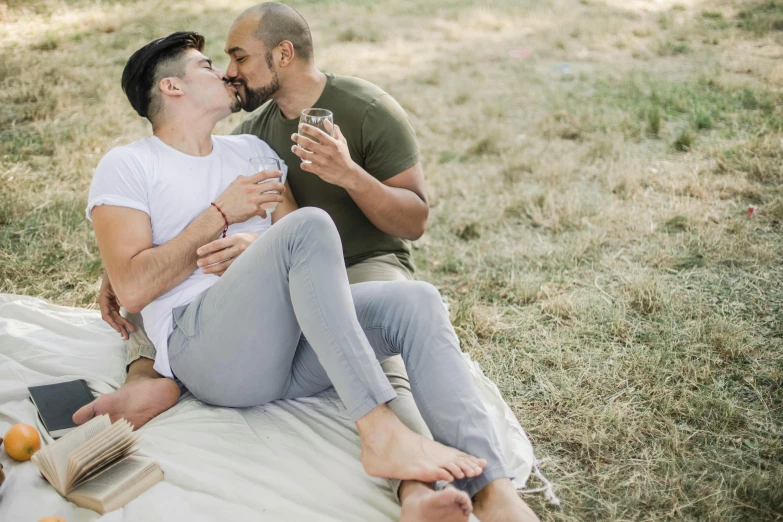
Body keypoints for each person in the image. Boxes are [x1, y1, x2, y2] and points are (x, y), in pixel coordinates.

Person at [80, 31, 539, 522]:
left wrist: (255, 251)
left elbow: (293, 243)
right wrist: (219, 213)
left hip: (290, 350)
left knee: (417, 301)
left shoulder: (251, 154)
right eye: (209, 65)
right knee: (311, 225)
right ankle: (379, 431)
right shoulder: (128, 165)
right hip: (210, 352)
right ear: (172, 87)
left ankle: (493, 492)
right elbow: (130, 286)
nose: (227, 73)